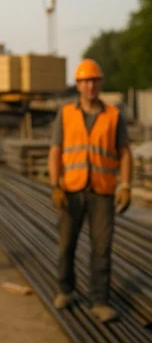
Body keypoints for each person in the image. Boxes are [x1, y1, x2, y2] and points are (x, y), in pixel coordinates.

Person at [49, 58, 132, 323]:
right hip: (71, 190)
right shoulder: (65, 114)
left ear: (100, 83)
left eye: (94, 80)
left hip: (102, 191)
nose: (90, 86)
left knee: (101, 247)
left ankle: (99, 300)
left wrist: (126, 185)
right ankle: (65, 290)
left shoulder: (113, 116)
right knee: (66, 244)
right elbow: (55, 152)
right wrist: (55, 185)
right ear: (78, 85)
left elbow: (125, 153)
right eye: (85, 81)